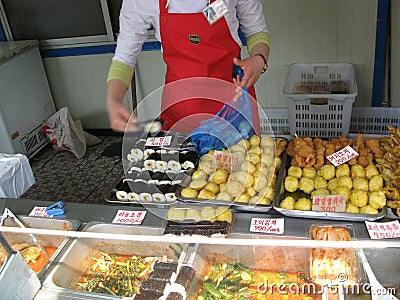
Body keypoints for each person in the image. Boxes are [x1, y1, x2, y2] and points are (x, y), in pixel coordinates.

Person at [106, 0, 270, 133]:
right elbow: (124, 57)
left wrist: (259, 59)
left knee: (243, 168)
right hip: (181, 107)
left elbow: (257, 31)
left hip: (233, 104)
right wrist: (114, 100)